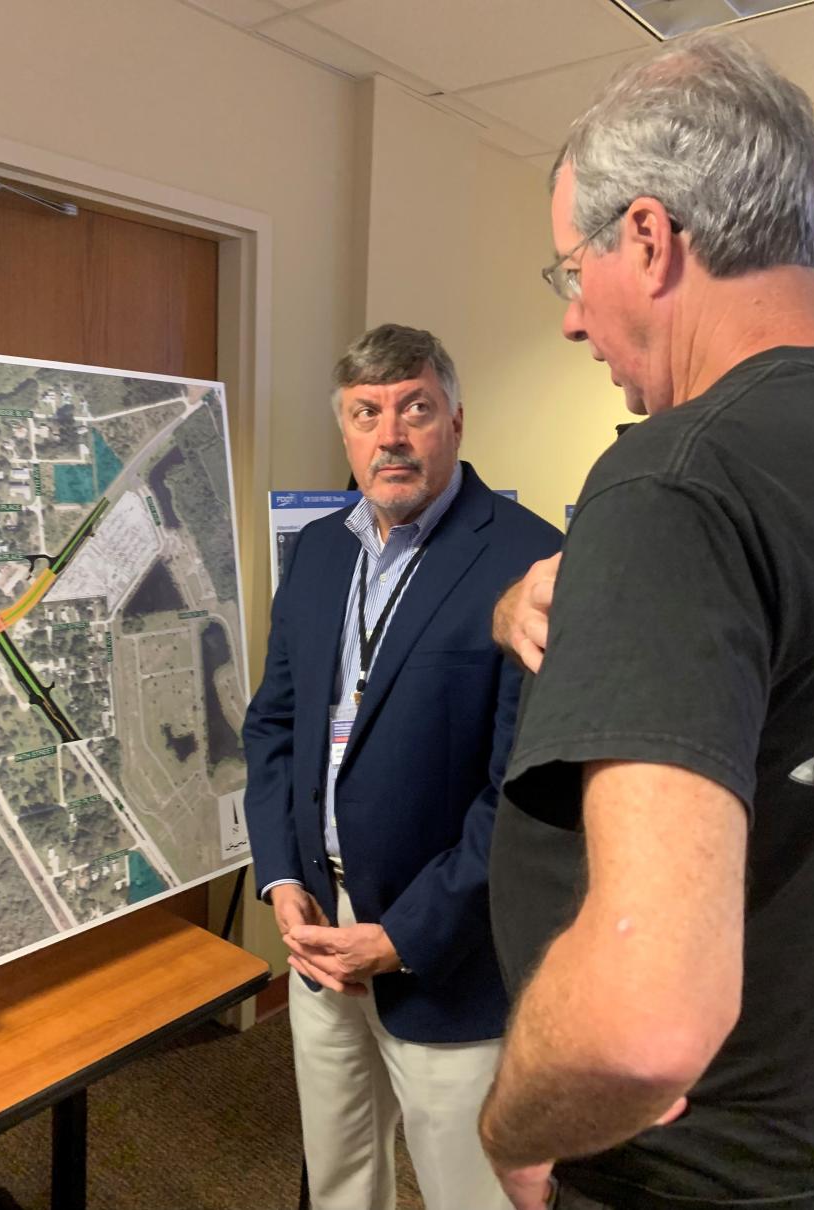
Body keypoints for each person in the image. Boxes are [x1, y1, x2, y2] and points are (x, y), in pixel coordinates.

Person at [479, 30, 814, 1210]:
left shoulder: (674, 479)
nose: (569, 319)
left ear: (649, 238)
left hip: (692, 1172)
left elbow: (644, 1024)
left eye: (569, 270)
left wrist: (515, 1128)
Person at [242, 323, 560, 1210]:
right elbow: (273, 726)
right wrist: (279, 880)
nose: (390, 433)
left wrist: (403, 937)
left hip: (450, 955)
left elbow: (522, 800)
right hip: (318, 929)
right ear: (344, 431)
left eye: (415, 408)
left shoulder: (527, 563)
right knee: (340, 1173)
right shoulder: (318, 553)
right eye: (366, 412)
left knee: (472, 1191)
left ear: (456, 420)